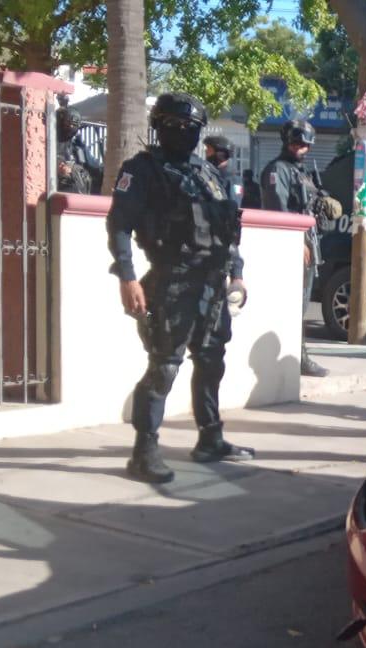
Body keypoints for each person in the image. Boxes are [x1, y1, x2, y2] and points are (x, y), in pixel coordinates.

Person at [107, 92, 251, 484]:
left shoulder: (208, 174)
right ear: (160, 126)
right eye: (176, 127)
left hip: (212, 284)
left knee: (211, 359)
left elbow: (228, 231)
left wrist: (236, 273)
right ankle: (144, 451)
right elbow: (119, 224)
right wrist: (127, 276)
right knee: (165, 366)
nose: (184, 134)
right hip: (171, 281)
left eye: (191, 129)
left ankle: (210, 438)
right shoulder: (143, 170)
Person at [260, 118, 336, 377]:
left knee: (300, 305)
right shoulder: (277, 171)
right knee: (291, 305)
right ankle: (296, 358)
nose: (301, 148)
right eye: (297, 142)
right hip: (292, 246)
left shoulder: (302, 173)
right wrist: (298, 241)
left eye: (305, 144)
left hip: (309, 242)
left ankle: (296, 356)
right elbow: (279, 212)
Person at [56, 107, 103, 195]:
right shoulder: (49, 137)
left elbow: (91, 165)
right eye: (67, 124)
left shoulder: (76, 143)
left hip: (77, 184)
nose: (71, 127)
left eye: (74, 125)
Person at [202, 134, 243, 205]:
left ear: (220, 154)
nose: (206, 152)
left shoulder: (232, 178)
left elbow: (233, 204)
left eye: (209, 149)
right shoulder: (210, 171)